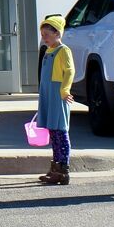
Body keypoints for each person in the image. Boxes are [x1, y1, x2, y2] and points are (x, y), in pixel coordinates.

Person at [34, 16, 76, 185]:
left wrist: (64, 90)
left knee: (60, 131)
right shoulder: (47, 51)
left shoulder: (63, 50)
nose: (44, 37)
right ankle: (55, 168)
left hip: (58, 95)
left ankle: (63, 169)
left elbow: (70, 70)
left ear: (57, 33)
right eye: (42, 34)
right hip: (47, 94)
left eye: (46, 34)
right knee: (53, 132)